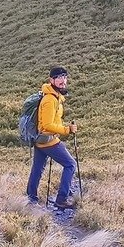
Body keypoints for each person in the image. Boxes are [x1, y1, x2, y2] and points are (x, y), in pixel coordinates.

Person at [26, 66, 79, 207]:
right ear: (52, 80)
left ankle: (31, 198)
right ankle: (61, 200)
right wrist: (66, 130)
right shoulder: (50, 100)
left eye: (65, 77)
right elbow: (47, 125)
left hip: (40, 139)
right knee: (70, 165)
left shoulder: (54, 96)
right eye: (59, 77)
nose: (63, 80)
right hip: (48, 140)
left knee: (37, 168)